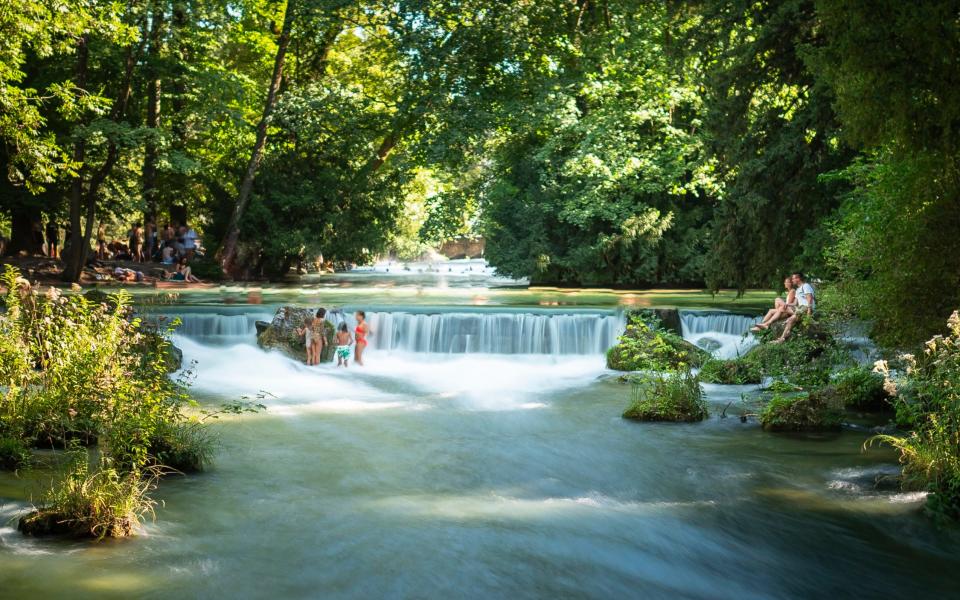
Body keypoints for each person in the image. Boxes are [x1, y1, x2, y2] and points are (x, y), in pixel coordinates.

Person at [772, 272, 815, 344]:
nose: (792, 280)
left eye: (793, 278)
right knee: (790, 320)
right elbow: (795, 303)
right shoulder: (798, 290)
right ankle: (782, 338)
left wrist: (809, 312)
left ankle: (781, 339)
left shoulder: (805, 286)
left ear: (798, 279)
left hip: (806, 307)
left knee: (790, 319)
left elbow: (809, 298)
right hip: (800, 307)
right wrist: (786, 304)